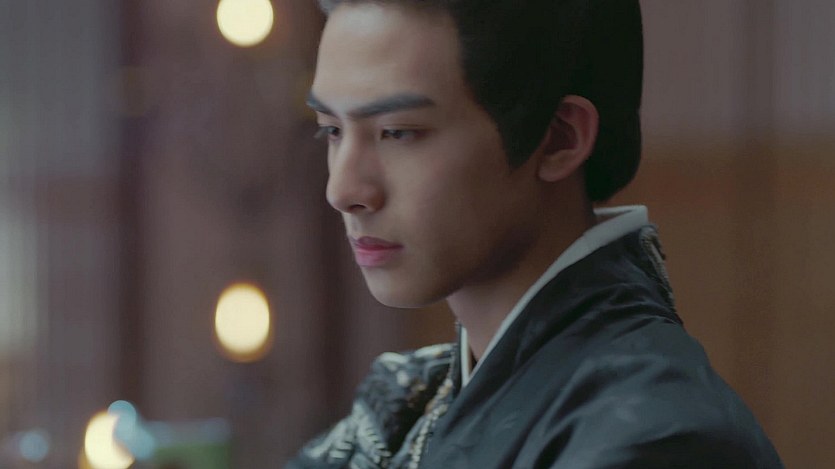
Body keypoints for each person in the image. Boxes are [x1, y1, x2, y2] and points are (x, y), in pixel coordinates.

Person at [290, 0, 784, 467]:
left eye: (397, 132)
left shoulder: (656, 437)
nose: (343, 190)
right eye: (331, 130)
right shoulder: (405, 404)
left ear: (558, 138)